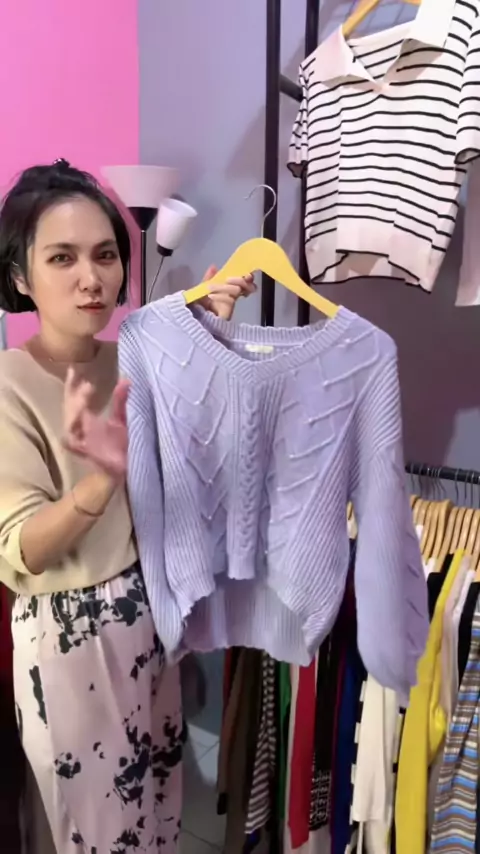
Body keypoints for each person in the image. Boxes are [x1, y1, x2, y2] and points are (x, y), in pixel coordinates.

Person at [0, 160, 256, 853]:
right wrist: (98, 483)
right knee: (100, 835)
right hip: (70, 630)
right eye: (62, 257)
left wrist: (208, 340)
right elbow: (22, 549)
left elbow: (196, 457)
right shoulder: (9, 384)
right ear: (20, 276)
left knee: (158, 814)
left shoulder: (132, 356)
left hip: (148, 611)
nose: (92, 277)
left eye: (106, 254)